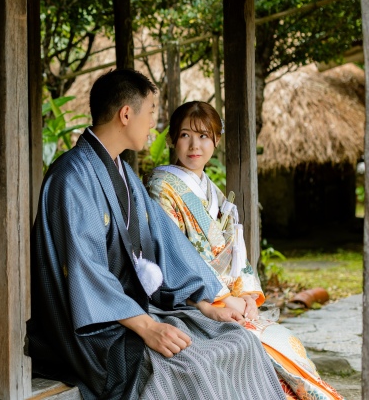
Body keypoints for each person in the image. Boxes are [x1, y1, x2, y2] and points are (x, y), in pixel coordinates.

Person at [26, 69, 284, 400]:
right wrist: (149, 327)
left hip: (130, 312)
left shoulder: (125, 175)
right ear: (126, 114)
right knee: (190, 365)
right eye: (150, 113)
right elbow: (84, 270)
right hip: (93, 329)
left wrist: (207, 302)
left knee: (239, 340)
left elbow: (166, 242)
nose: (153, 124)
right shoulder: (72, 177)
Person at [146, 100, 345, 400]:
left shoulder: (211, 190)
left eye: (204, 136)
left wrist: (246, 294)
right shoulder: (162, 187)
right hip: (187, 300)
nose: (194, 145)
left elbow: (232, 249)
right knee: (266, 350)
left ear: (216, 141)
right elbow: (174, 256)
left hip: (226, 297)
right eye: (185, 135)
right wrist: (218, 301)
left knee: (288, 343)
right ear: (173, 138)